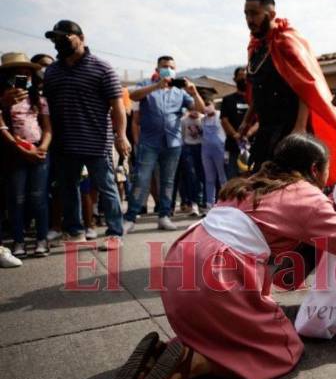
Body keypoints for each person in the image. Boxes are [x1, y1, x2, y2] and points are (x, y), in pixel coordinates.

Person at [109, 134, 336, 379]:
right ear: (314, 168)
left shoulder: (248, 184)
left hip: (178, 268)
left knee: (232, 327)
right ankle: (191, 362)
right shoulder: (307, 197)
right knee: (282, 350)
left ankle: (160, 354)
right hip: (214, 281)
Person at [238, 0, 336, 181]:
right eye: (246, 14)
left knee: (288, 183)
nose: (249, 19)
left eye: (255, 13)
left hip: (289, 126)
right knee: (260, 181)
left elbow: (306, 88)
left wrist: (299, 129)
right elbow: (258, 90)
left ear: (271, 14)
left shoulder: (287, 41)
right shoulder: (257, 47)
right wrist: (247, 121)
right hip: (266, 129)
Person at [42, 20, 130, 250]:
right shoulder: (51, 72)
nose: (59, 42)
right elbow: (45, 108)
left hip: (97, 141)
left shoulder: (102, 67)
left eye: (64, 37)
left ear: (81, 37)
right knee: (68, 188)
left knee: (106, 187)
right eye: (55, 39)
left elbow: (118, 106)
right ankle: (75, 231)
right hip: (64, 143)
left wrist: (121, 136)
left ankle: (114, 234)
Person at [124, 56, 205, 233]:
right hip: (149, 142)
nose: (168, 69)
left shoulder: (180, 91)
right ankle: (130, 217)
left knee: (168, 182)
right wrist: (156, 86)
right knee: (142, 179)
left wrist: (194, 92)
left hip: (173, 143)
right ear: (157, 68)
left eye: (171, 67)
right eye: (164, 66)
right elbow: (132, 96)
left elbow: (200, 110)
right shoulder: (145, 84)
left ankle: (164, 216)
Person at [0, 53, 51, 257]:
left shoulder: (39, 99)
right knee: (16, 199)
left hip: (38, 152)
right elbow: (2, 127)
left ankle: (41, 239)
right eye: (17, 73)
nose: (23, 76)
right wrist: (19, 148)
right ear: (7, 76)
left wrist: (42, 148)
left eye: (27, 72)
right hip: (13, 155)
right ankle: (18, 242)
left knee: (38, 197)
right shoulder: (2, 100)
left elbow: (47, 129)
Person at [219, 67, 250, 179]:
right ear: (235, 79)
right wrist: (236, 135)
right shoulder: (228, 99)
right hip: (233, 147)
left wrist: (248, 134)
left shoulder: (255, 99)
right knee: (232, 178)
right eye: (240, 75)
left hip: (252, 146)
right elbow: (224, 120)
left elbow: (260, 121)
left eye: (246, 75)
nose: (243, 78)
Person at [200, 97, 227, 210]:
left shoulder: (220, 116)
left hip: (220, 149)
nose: (206, 107)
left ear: (213, 104)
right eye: (204, 105)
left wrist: (226, 152)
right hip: (206, 150)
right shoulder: (203, 119)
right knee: (209, 178)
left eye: (208, 104)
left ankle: (225, 202)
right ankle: (210, 204)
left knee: (222, 178)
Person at [179, 106, 205, 216]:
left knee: (202, 175)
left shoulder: (203, 119)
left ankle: (202, 202)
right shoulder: (184, 120)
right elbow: (182, 136)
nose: (194, 112)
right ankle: (193, 203)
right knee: (191, 175)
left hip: (201, 147)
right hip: (188, 147)